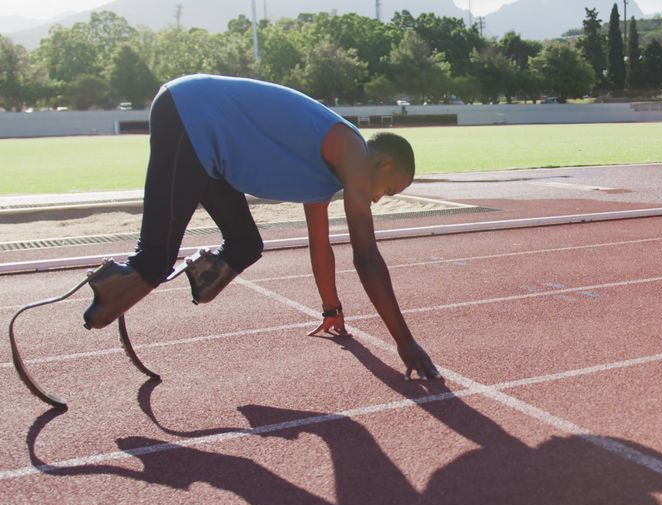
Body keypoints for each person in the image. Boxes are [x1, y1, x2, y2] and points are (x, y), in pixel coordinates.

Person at [82, 74, 441, 381]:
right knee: (155, 261)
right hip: (189, 113)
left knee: (245, 245)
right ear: (384, 162)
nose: (379, 199)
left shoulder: (328, 179)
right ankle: (110, 291)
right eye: (390, 188)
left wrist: (331, 308)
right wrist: (404, 341)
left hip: (211, 155)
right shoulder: (353, 150)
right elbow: (366, 257)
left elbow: (320, 244)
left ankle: (152, 279)